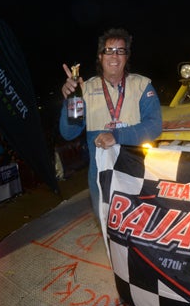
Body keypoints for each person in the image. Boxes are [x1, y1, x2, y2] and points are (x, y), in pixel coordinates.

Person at [59, 28, 163, 217]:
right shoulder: (85, 89)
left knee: (140, 231)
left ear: (126, 56)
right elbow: (69, 133)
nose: (114, 56)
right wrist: (70, 99)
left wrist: (116, 135)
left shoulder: (142, 85)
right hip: (101, 178)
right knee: (111, 236)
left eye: (120, 51)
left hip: (137, 174)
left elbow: (154, 126)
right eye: (109, 50)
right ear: (100, 56)